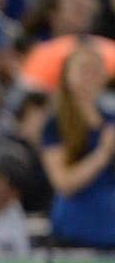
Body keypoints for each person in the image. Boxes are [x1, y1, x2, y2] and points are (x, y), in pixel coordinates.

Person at [39, 44, 115, 249]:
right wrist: (102, 154)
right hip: (76, 229)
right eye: (84, 69)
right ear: (67, 76)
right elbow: (63, 183)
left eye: (97, 69)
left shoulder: (110, 120)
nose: (91, 76)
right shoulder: (56, 124)